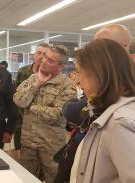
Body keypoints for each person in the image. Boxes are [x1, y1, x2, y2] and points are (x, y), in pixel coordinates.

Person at [54, 24, 132, 183]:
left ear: (99, 73)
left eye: (80, 72)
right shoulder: (112, 108)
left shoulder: (120, 124)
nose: (78, 80)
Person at [13, 45, 76, 183]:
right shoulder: (33, 78)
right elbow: (18, 100)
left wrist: (31, 106)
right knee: (26, 179)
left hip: (51, 146)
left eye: (50, 60)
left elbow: (57, 114)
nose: (44, 61)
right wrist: (36, 85)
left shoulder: (67, 86)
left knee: (54, 180)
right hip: (28, 143)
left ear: (61, 66)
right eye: (45, 57)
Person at [14, 42, 49, 150]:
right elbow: (16, 95)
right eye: (38, 53)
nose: (41, 56)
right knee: (21, 154)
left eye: (45, 54)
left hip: (42, 125)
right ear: (34, 55)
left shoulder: (49, 74)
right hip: (21, 121)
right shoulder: (23, 72)